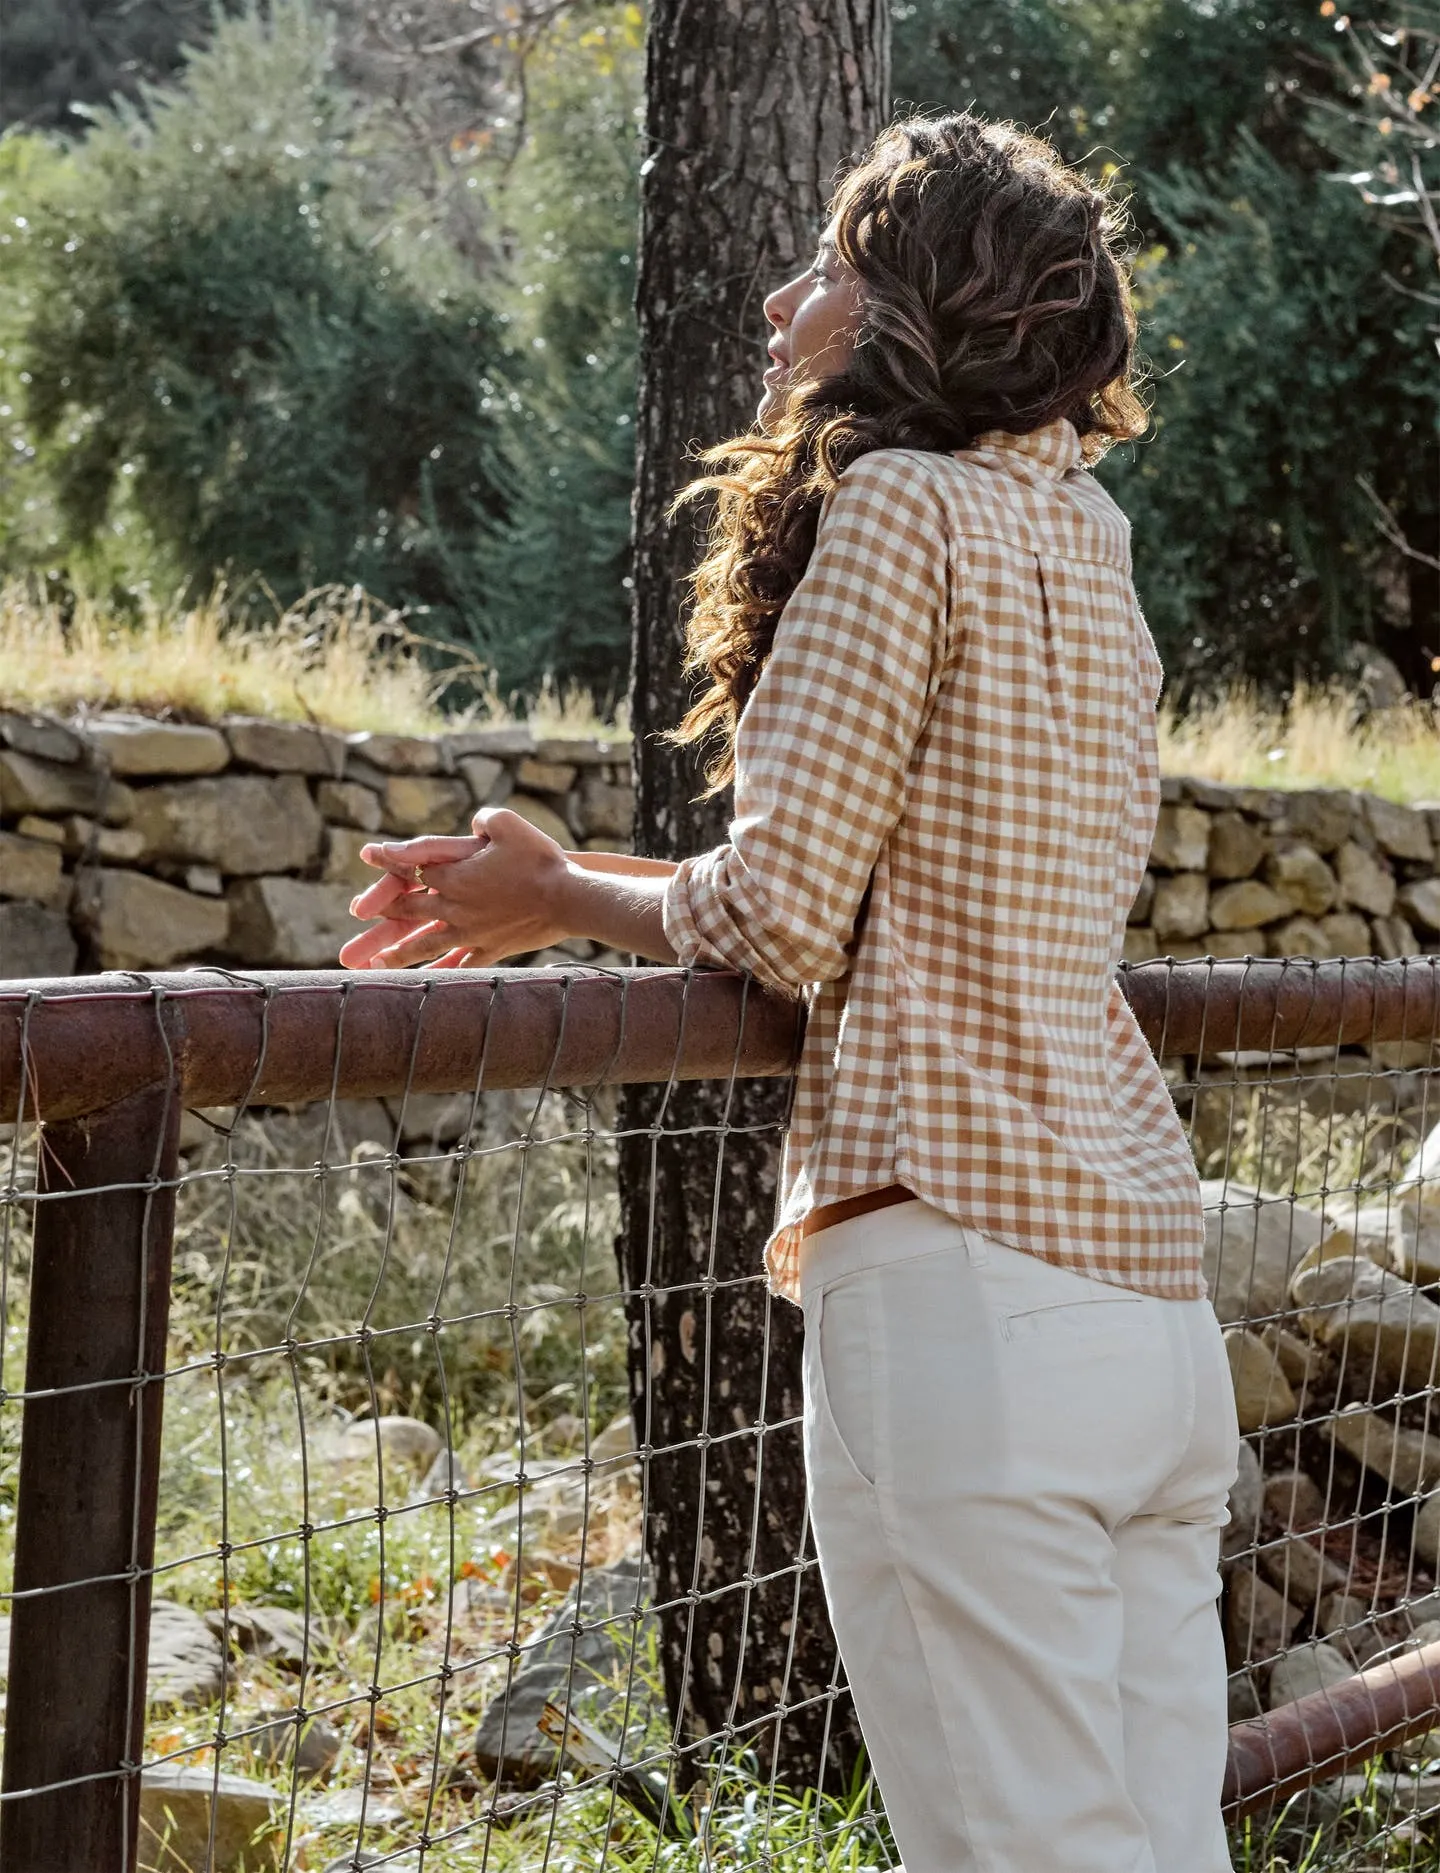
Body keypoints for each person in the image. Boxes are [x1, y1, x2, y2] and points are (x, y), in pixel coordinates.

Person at [340, 112, 1239, 1873]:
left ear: (916, 305)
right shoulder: (1092, 536)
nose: (779, 294)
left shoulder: (895, 507)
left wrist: (553, 891)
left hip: (968, 1294)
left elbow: (779, 912)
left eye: (829, 260)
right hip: (1147, 1308)